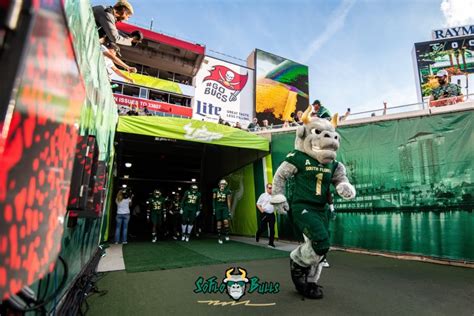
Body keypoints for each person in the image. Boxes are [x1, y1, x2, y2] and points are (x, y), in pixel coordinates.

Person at [256, 183, 276, 248]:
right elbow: (258, 204)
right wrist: (261, 209)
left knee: (272, 229)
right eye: (270, 188)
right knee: (263, 228)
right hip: (264, 214)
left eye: (272, 188)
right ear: (267, 188)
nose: (271, 189)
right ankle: (258, 234)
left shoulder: (274, 196)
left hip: (272, 215)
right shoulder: (263, 195)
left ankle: (271, 243)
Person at [213, 179, 232, 244]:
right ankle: (219, 236)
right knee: (219, 221)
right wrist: (214, 208)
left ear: (225, 185)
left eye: (223, 184)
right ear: (219, 184)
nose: (222, 185)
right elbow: (214, 200)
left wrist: (229, 210)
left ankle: (226, 234)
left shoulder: (227, 191)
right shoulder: (215, 190)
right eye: (221, 184)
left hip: (224, 208)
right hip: (218, 207)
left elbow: (228, 201)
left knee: (225, 220)